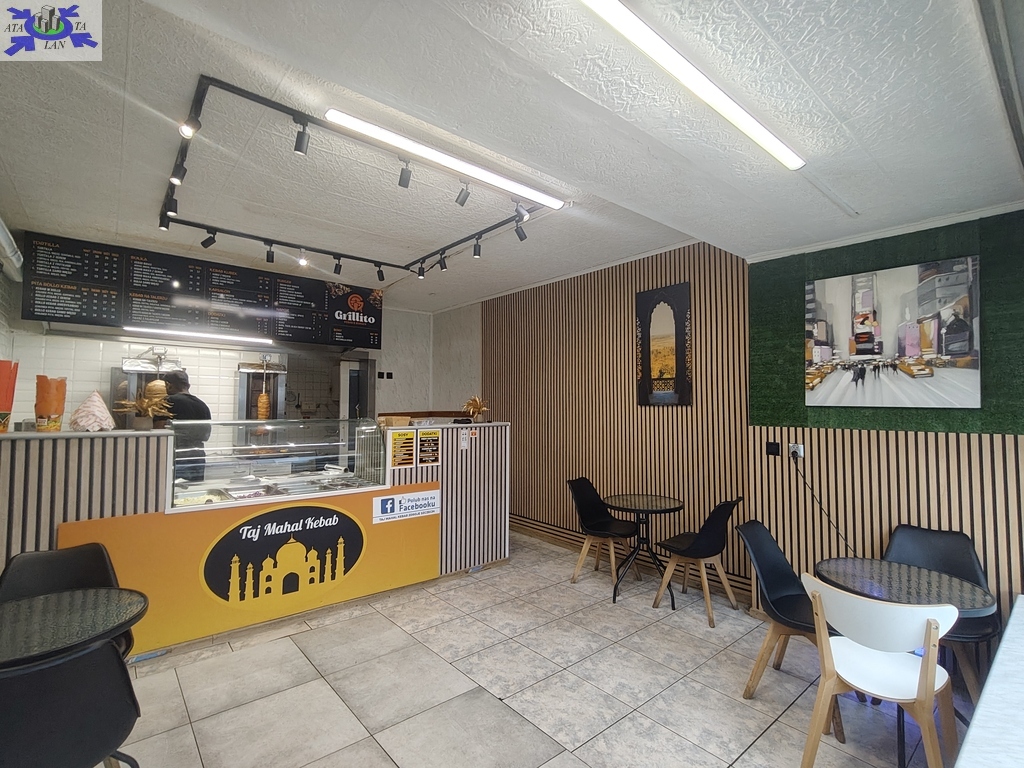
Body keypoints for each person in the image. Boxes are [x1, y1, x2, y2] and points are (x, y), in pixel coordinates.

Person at [160, 370, 212, 482]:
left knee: (172, 490)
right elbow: (206, 436)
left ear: (168, 385)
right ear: (188, 385)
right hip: (197, 457)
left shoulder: (168, 402)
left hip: (175, 457)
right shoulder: (202, 405)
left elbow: (158, 430)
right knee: (193, 491)